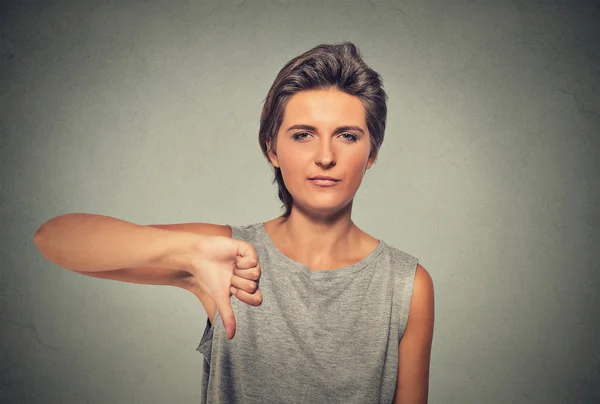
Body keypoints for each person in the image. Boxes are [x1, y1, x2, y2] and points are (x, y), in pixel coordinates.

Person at [33, 41, 434, 404]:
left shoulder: (406, 285)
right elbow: (53, 238)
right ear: (271, 149)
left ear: (371, 152)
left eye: (347, 136)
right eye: (302, 135)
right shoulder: (223, 255)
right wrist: (188, 255)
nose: (325, 156)